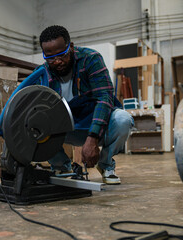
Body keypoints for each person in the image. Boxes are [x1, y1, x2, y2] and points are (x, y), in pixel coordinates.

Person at [36, 25, 133, 184]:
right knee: (35, 123)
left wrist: (93, 137)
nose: (58, 61)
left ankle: (106, 164)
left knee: (123, 119)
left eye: (62, 54)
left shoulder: (91, 59)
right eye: (50, 57)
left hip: (95, 123)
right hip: (66, 127)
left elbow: (104, 97)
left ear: (71, 47)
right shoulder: (42, 72)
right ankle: (61, 167)